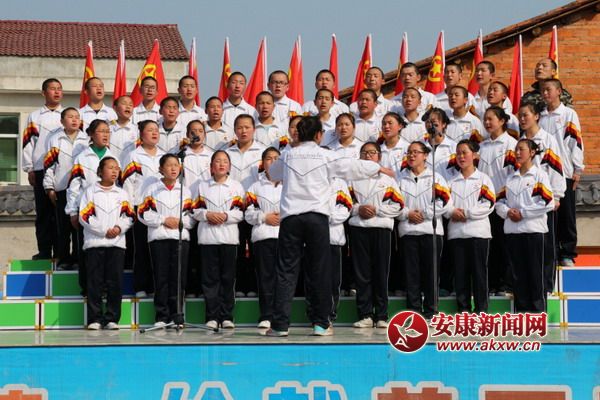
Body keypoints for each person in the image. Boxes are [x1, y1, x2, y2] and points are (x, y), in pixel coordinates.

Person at [265, 116, 392, 337]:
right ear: (319, 135)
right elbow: (353, 167)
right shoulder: (326, 155)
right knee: (320, 270)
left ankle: (279, 325)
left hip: (291, 218)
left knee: (286, 271)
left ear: (298, 134)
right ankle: (321, 323)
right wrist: (376, 167)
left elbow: (272, 173)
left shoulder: (287, 155)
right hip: (317, 218)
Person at [496, 139, 554, 312]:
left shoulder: (539, 176)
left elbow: (548, 203)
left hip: (533, 232)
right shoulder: (510, 178)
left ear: (532, 152)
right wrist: (508, 212)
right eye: (516, 149)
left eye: (521, 149)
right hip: (513, 233)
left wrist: (523, 213)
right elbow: (499, 203)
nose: (517, 153)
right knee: (518, 276)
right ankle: (522, 314)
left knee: (536, 275)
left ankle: (537, 314)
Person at [349, 142, 403, 328]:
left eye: (372, 152)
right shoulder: (352, 179)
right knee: (361, 273)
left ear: (379, 157)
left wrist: (377, 210)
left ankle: (381, 315)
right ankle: (365, 314)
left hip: (381, 228)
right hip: (359, 228)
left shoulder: (388, 180)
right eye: (364, 153)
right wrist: (359, 209)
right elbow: (345, 202)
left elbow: (398, 205)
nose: (368, 156)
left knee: (381, 271)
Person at [397, 141, 451, 319]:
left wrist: (425, 214)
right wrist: (408, 214)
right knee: (411, 274)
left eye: (416, 152)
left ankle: (431, 311)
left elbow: (443, 201)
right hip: (408, 231)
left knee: (431, 273)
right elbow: (394, 204)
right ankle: (413, 312)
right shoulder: (400, 179)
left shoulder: (436, 178)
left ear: (425, 155)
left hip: (430, 231)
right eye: (409, 152)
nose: (412, 155)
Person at [139, 154, 194, 328]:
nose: (173, 168)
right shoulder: (152, 190)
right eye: (169, 165)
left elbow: (192, 216)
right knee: (161, 277)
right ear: (161, 169)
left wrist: (180, 222)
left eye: (176, 165)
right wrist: (163, 220)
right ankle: (161, 316)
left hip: (180, 238)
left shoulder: (185, 191)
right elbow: (143, 213)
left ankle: (177, 315)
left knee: (178, 278)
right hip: (159, 238)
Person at [192, 150, 245, 329]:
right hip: (207, 239)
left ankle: (227, 316)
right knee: (210, 280)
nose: (221, 164)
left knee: (228, 279)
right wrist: (207, 215)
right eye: (217, 161)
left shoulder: (236, 186)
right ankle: (212, 316)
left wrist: (225, 216)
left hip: (229, 239)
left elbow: (241, 212)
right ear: (211, 167)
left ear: (229, 166)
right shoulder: (201, 186)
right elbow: (194, 210)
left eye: (225, 161)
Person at [79, 157, 134, 330]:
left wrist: (118, 228)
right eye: (110, 168)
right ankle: (94, 318)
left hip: (116, 244)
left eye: (117, 168)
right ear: (100, 171)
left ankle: (112, 318)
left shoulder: (122, 194)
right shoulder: (90, 192)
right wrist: (104, 231)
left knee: (115, 282)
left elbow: (129, 216)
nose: (114, 171)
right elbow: (85, 216)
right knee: (94, 282)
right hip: (95, 243)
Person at [65, 119, 119, 293]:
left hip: (109, 212)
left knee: (108, 251)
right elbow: (74, 186)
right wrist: (73, 211)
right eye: (101, 131)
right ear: (91, 134)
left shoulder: (114, 157)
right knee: (87, 250)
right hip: (87, 211)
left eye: (107, 131)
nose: (105, 135)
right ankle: (87, 287)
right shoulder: (82, 158)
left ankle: (105, 288)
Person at [519, 101, 566, 293]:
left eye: (526, 115)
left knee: (546, 244)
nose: (522, 119)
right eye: (520, 116)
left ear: (537, 116)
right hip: (524, 201)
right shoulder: (520, 141)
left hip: (544, 199)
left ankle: (546, 285)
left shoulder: (547, 140)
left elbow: (556, 168)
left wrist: (557, 195)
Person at [446, 139, 495, 313]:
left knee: (479, 274)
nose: (461, 156)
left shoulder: (483, 179)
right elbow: (443, 203)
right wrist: (452, 211)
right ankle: (464, 311)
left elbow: (488, 204)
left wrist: (466, 213)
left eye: (464, 152)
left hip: (479, 234)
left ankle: (481, 311)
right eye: (458, 153)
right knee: (460, 275)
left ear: (474, 155)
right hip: (457, 234)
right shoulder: (450, 181)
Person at [539, 78, 583, 267]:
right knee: (549, 215)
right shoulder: (539, 116)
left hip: (564, 171)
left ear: (559, 91)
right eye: (543, 90)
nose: (545, 93)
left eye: (548, 90)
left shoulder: (568, 114)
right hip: (544, 174)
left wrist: (578, 168)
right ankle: (551, 252)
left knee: (566, 214)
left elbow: (576, 141)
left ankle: (567, 252)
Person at [120, 120, 166, 298]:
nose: (154, 133)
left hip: (160, 209)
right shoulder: (134, 156)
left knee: (157, 249)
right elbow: (127, 184)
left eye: (156, 130)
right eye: (150, 130)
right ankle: (140, 285)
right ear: (141, 134)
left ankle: (155, 286)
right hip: (139, 207)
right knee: (141, 248)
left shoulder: (164, 155)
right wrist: (129, 208)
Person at [478, 106, 518, 295]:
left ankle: (505, 284)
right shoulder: (482, 146)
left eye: (491, 119)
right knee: (490, 246)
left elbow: (514, 175)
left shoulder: (511, 145)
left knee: (504, 245)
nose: (487, 123)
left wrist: (502, 196)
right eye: (485, 119)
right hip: (485, 204)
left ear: (502, 121)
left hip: (503, 202)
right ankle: (491, 283)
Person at [22, 78, 63, 260]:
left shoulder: (69, 115)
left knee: (60, 212)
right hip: (40, 168)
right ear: (44, 93)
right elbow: (28, 143)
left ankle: (62, 251)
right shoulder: (35, 116)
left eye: (59, 89)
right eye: (53, 89)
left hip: (62, 169)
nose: (57, 92)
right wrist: (29, 168)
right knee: (43, 212)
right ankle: (45, 250)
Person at [43, 108, 89, 270]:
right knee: (63, 227)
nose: (74, 120)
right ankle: (63, 259)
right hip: (62, 187)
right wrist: (49, 187)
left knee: (79, 226)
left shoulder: (86, 139)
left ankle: (78, 259)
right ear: (62, 121)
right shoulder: (55, 140)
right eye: (70, 117)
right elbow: (49, 165)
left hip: (82, 190)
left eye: (77, 117)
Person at [226, 114, 266, 297]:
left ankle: (254, 286)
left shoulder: (262, 152)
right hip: (233, 209)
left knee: (257, 249)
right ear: (235, 130)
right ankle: (240, 286)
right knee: (238, 249)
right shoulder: (227, 153)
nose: (243, 131)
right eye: (240, 127)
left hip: (255, 208)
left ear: (254, 129)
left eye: (247, 127)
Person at [245, 147, 283, 329]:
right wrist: (264, 217)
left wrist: (284, 217)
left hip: (285, 237)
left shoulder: (290, 185)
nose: (273, 161)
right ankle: (266, 315)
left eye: (276, 158)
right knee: (265, 277)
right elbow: (248, 213)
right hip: (263, 236)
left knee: (284, 278)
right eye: (269, 158)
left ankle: (282, 316)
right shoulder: (255, 187)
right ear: (263, 163)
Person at [110, 95, 138, 162]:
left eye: (130, 105)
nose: (128, 106)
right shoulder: (108, 129)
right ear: (115, 108)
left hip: (131, 166)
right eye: (124, 103)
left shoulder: (138, 130)